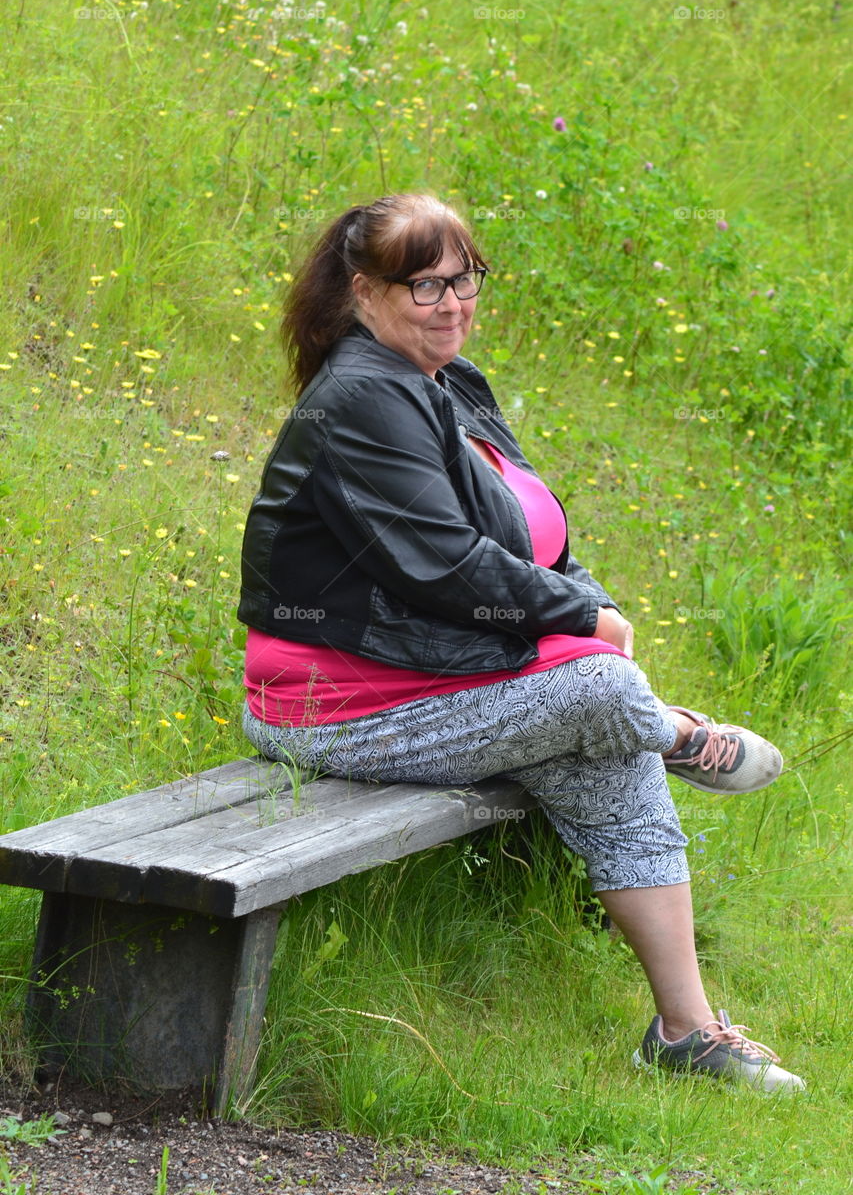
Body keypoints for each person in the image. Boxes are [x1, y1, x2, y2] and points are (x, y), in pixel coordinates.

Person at [238, 193, 804, 1093]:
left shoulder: (450, 383)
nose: (453, 303)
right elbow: (443, 566)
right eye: (425, 285)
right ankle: (683, 732)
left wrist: (590, 608)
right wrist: (582, 628)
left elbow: (540, 539)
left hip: (439, 672)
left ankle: (684, 1031)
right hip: (331, 700)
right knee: (605, 702)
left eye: (465, 279)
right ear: (365, 293)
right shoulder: (359, 399)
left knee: (606, 738)